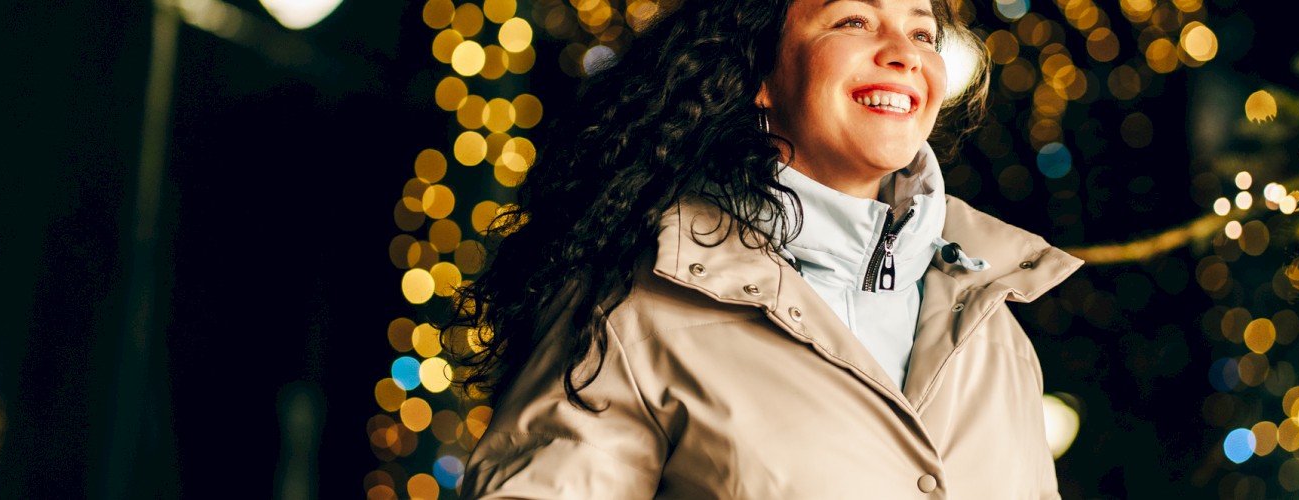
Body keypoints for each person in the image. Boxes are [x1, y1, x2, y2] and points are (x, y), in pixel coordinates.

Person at [451, 0, 1083, 497]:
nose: (904, 54)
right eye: (855, 20)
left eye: (923, 34)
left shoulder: (993, 327)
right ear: (759, 73)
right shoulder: (633, 308)